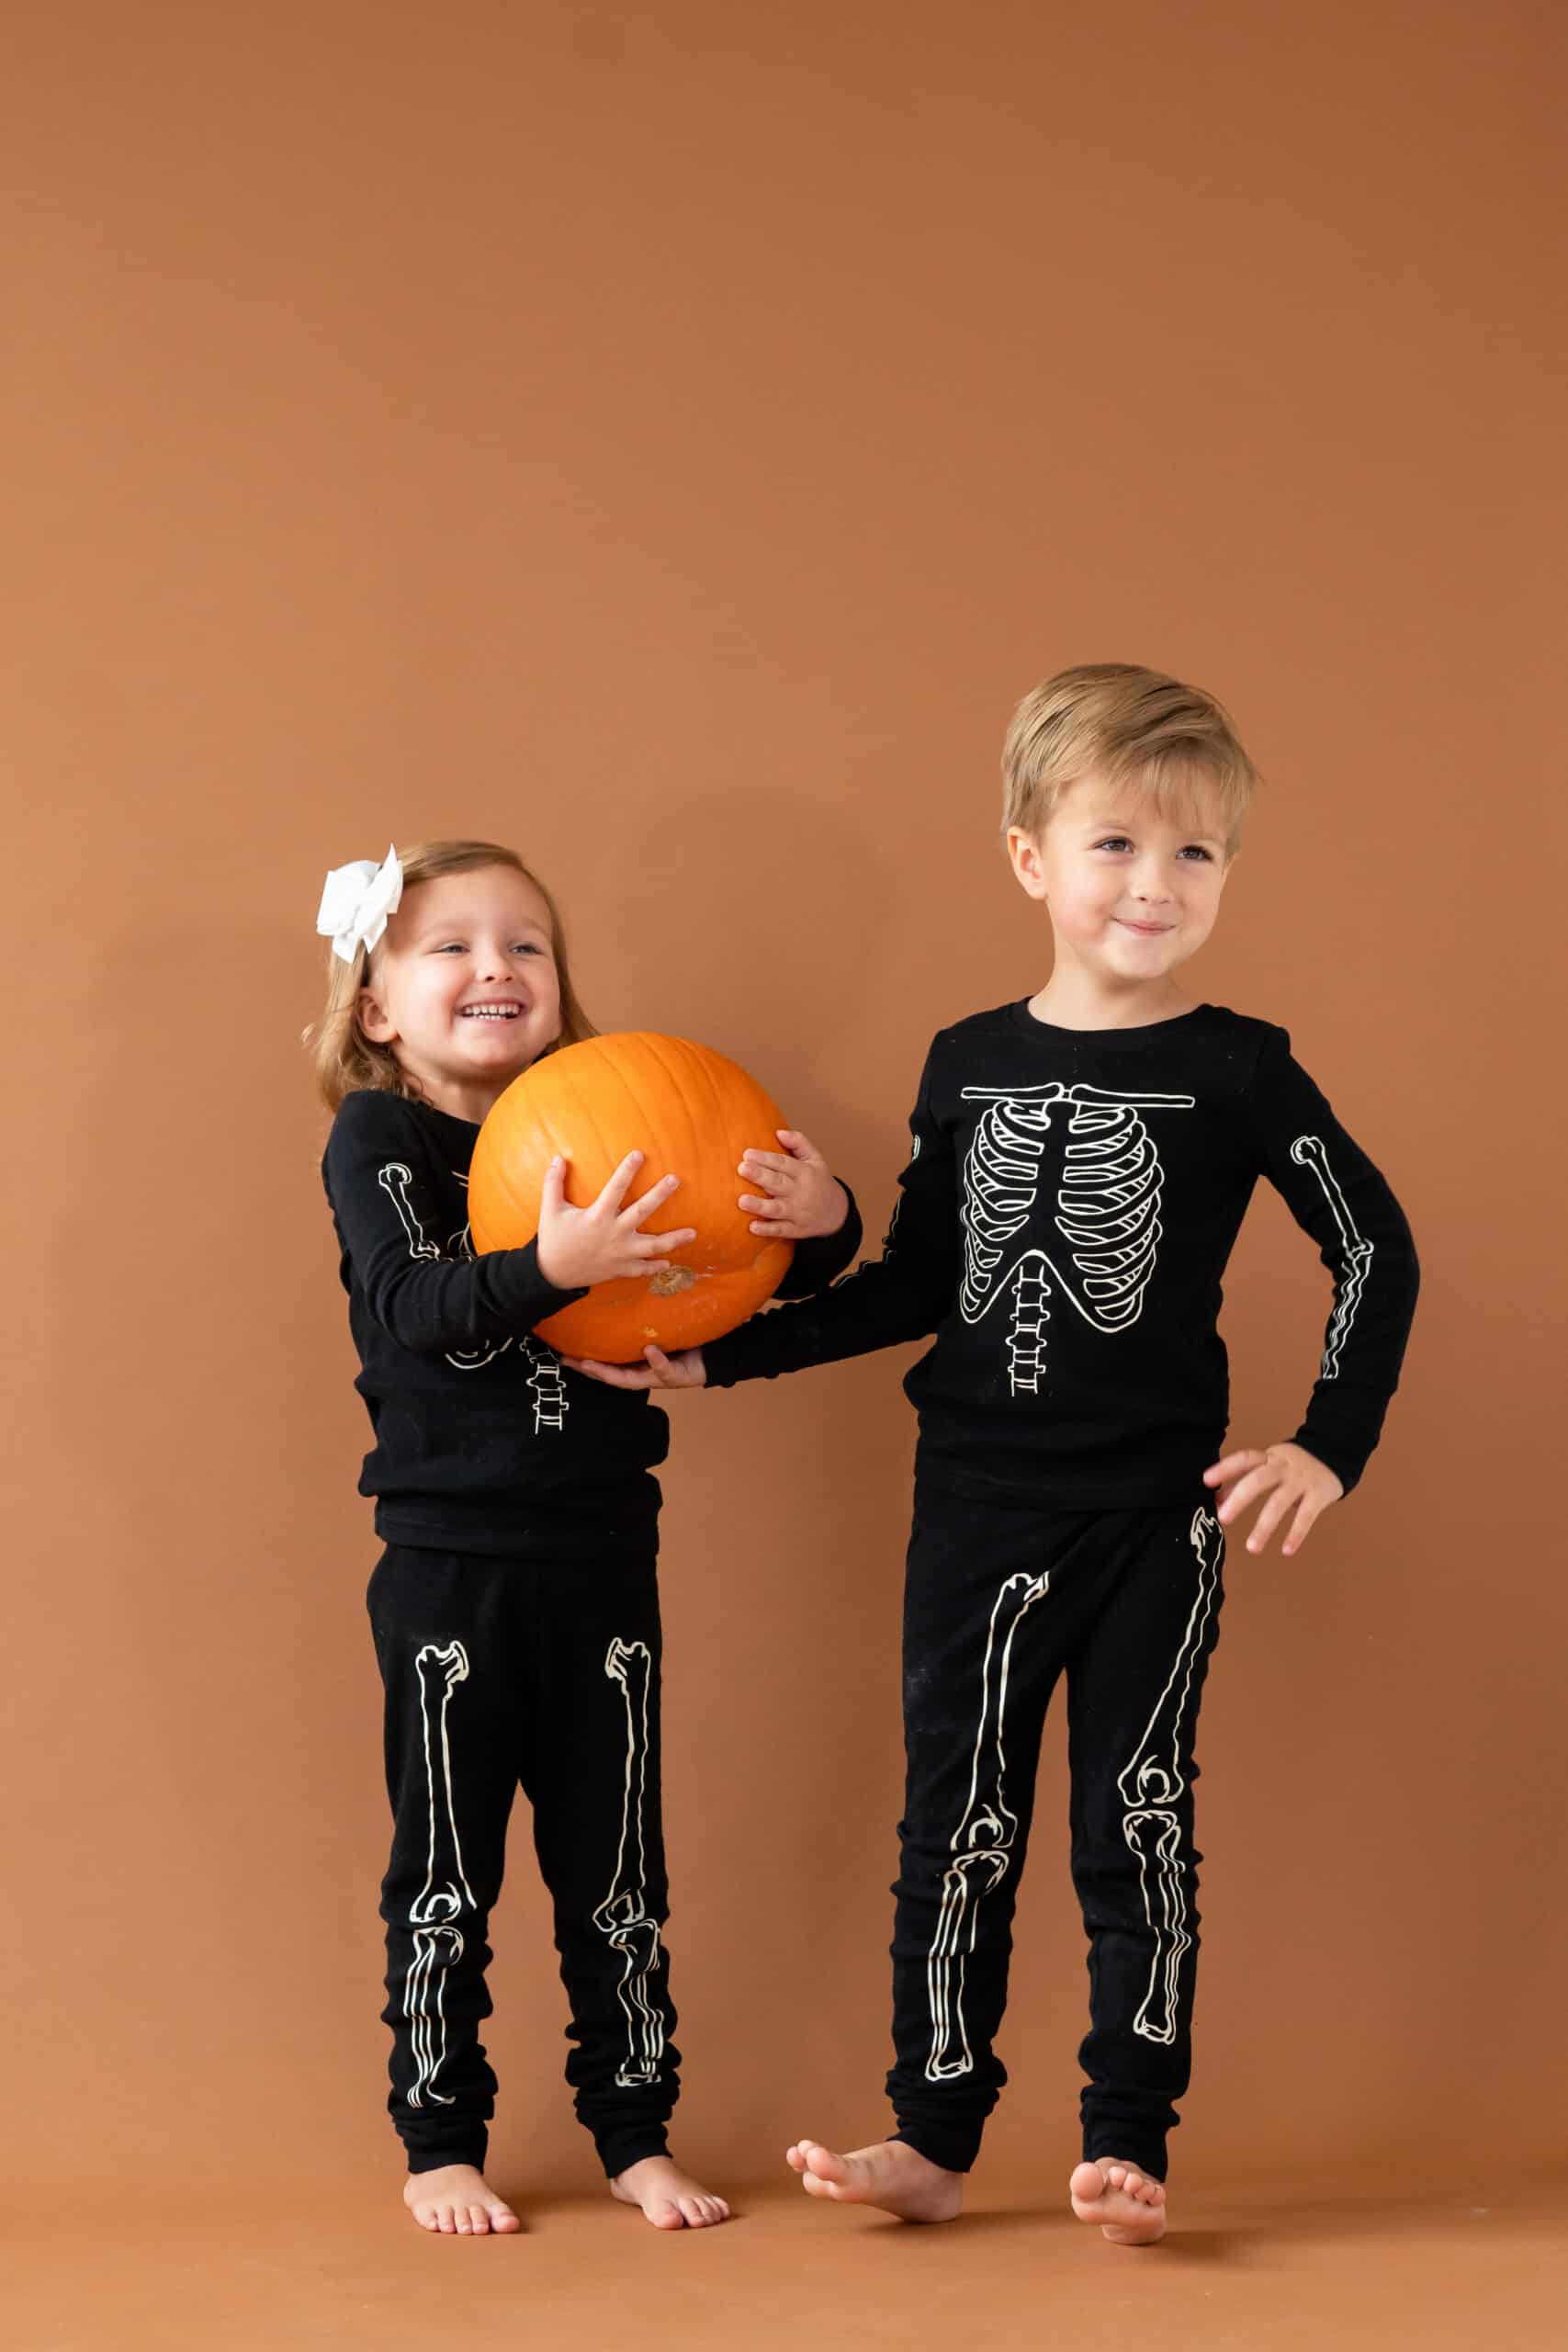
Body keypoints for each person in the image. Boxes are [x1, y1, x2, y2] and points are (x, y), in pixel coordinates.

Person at [569, 666, 1420, 2245]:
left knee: (1137, 1811)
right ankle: (935, 2134)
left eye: (1194, 857)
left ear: (1228, 874)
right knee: (952, 1818)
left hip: (1156, 1514)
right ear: (1031, 857)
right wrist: (728, 1352)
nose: (1152, 887)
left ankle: (1127, 2139)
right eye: (1113, 846)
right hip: (972, 1504)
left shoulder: (1240, 1069)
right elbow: (917, 1279)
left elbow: (1376, 1244)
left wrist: (1329, 1444)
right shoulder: (965, 1059)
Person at [308, 837, 860, 2236]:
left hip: (606, 1550)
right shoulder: (384, 1139)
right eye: (452, 947)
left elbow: (748, 1273)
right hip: (448, 1563)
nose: (496, 968)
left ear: (560, 988)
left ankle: (635, 2134)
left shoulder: (626, 1131)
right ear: (377, 1008)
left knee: (618, 1865)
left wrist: (831, 1223)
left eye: (528, 946)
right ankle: (441, 2142)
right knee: (447, 1861)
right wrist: (556, 1268)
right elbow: (410, 1309)